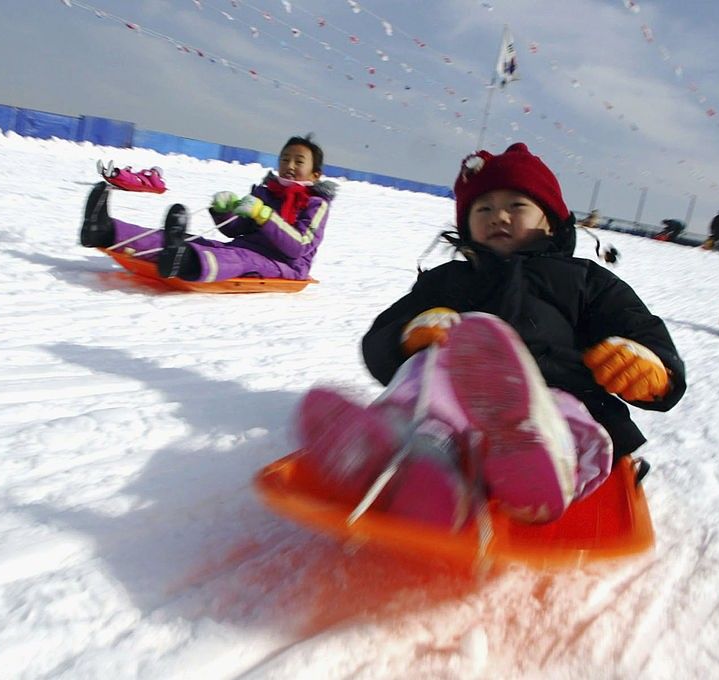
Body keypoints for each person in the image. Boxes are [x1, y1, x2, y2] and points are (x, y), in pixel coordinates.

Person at [296, 143, 687, 531]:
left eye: (517, 205)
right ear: (466, 224)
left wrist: (652, 366)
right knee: (422, 378)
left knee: (560, 422)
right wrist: (408, 336)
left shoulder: (585, 280)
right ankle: (410, 462)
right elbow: (380, 340)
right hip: (454, 395)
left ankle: (532, 468)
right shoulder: (447, 280)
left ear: (551, 220)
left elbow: (637, 326)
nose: (498, 215)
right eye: (483, 208)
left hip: (557, 395)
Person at [80, 135, 335, 282]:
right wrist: (224, 211)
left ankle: (187, 261)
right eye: (284, 159)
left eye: (298, 161)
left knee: (240, 259)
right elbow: (236, 231)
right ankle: (105, 230)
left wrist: (264, 215)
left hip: (286, 266)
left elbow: (298, 246)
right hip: (244, 246)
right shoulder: (267, 192)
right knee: (190, 240)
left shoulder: (316, 203)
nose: (289, 165)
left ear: (315, 174)